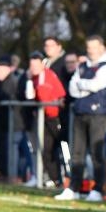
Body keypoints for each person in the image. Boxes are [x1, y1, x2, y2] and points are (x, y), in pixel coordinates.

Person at [54, 35, 106, 202]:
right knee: (77, 153)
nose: (91, 51)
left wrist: (83, 85)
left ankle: (98, 189)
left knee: (97, 153)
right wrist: (85, 86)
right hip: (80, 113)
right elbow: (73, 89)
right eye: (89, 48)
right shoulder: (82, 66)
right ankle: (74, 187)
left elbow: (95, 85)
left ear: (101, 48)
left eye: (94, 48)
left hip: (98, 115)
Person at [24, 50, 67, 188]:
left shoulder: (46, 75)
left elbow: (43, 97)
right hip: (44, 118)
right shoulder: (35, 77)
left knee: (50, 149)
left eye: (36, 65)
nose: (33, 68)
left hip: (52, 118)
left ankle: (58, 179)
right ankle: (52, 178)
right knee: (45, 149)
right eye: (32, 66)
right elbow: (29, 96)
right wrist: (29, 81)